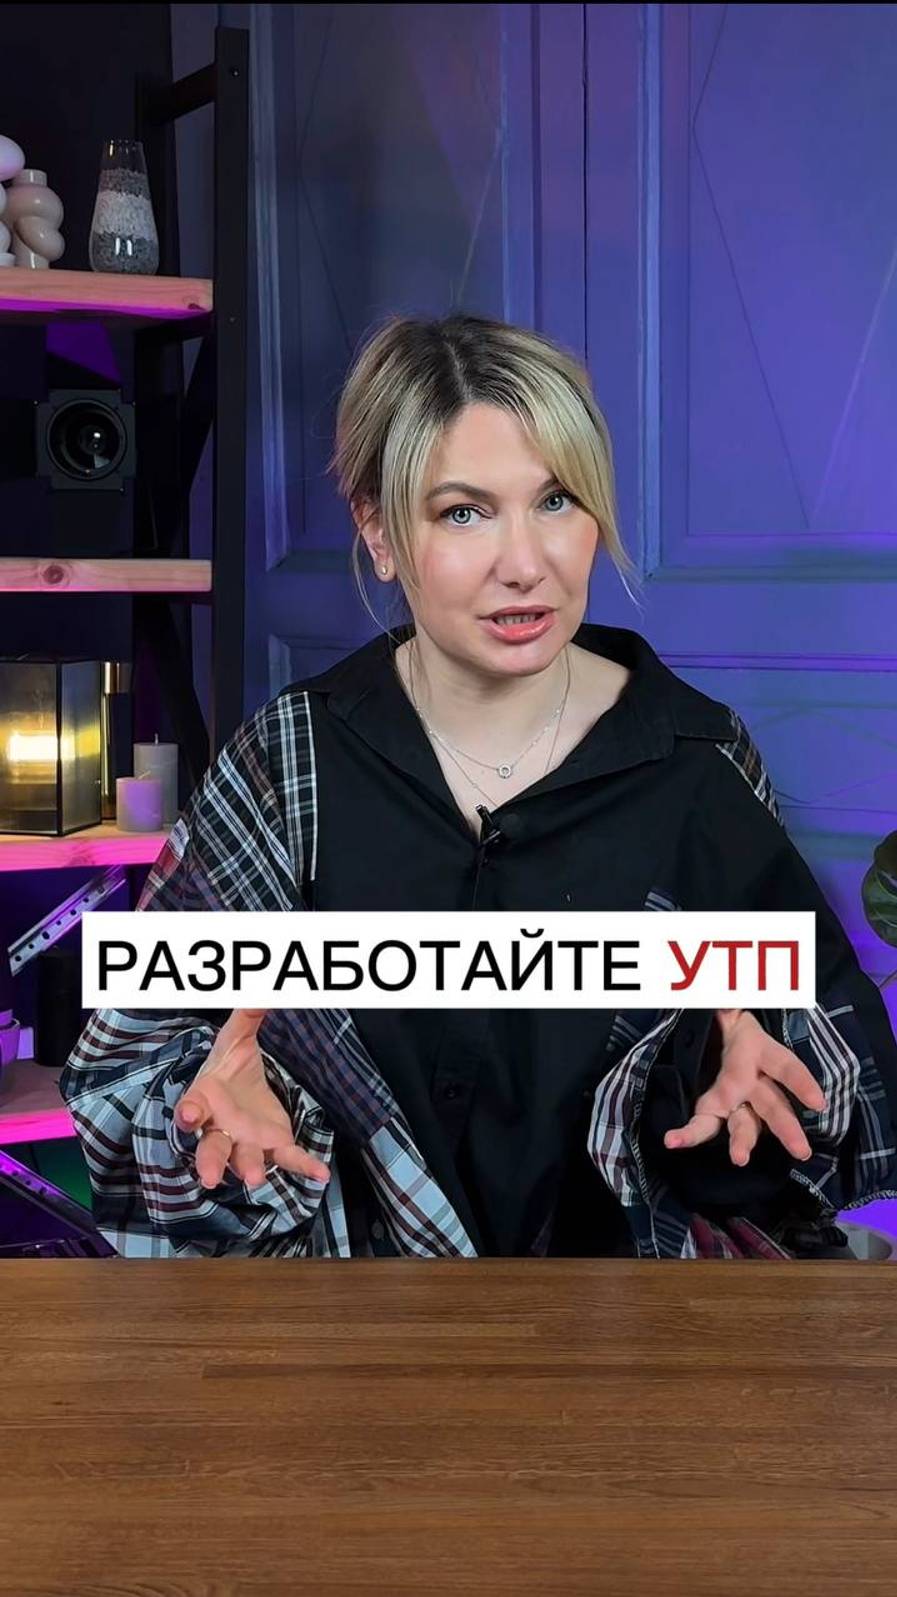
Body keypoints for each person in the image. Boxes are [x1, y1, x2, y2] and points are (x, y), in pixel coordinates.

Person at [61, 313, 897, 1260]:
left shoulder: (697, 758)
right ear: (379, 531)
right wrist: (211, 1115)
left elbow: (816, 1096)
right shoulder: (289, 761)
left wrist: (726, 1081)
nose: (525, 563)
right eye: (463, 512)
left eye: (556, 501)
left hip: (623, 1325)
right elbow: (130, 1074)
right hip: (351, 1326)